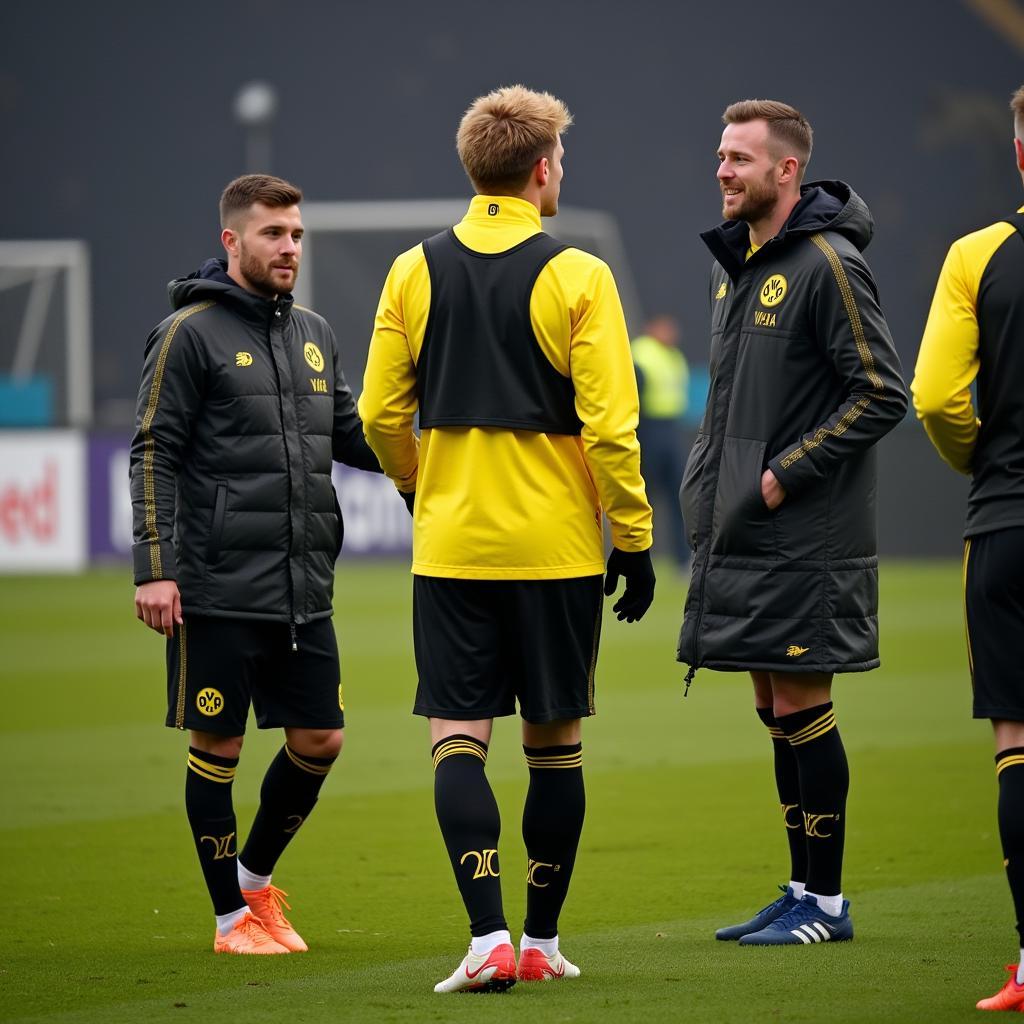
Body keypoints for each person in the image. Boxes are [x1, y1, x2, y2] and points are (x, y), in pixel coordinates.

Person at [358, 85, 655, 993]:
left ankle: (486, 936)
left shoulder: (412, 269)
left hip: (451, 550)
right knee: (554, 746)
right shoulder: (580, 276)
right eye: (561, 160)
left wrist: (417, 482)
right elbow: (610, 426)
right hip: (558, 552)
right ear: (540, 169)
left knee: (459, 739)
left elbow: (376, 412)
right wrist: (634, 539)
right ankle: (541, 940)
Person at [130, 174, 383, 955]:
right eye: (274, 234)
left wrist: (443, 453)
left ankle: (250, 883)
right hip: (214, 585)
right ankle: (230, 922)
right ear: (232, 241)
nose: (290, 247)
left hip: (302, 584)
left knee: (320, 740)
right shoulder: (188, 334)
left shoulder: (313, 331)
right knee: (220, 749)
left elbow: (350, 435)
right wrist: (154, 567)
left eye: (298, 234)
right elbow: (153, 451)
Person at [677, 100, 908, 946]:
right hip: (743, 526)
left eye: (739, 158)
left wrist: (782, 476)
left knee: (805, 704)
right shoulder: (734, 262)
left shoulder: (830, 264)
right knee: (774, 703)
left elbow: (884, 392)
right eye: (720, 154)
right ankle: (801, 886)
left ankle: (829, 904)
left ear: (787, 171)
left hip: (805, 533)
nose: (722, 170)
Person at [912, 84, 1024, 1012]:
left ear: (1020, 153)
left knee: (1019, 744)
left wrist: (984, 462)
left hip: (1010, 521)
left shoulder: (980, 256)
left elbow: (940, 400)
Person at [631, 315, 690, 569]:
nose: (670, 331)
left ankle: (682, 558)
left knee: (678, 494)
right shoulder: (641, 352)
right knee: (645, 497)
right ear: (652, 327)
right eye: (664, 326)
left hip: (670, 429)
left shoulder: (674, 356)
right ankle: (639, 556)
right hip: (648, 429)